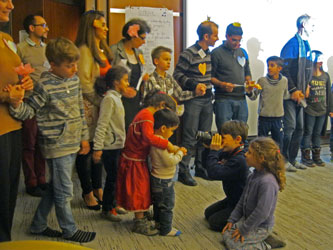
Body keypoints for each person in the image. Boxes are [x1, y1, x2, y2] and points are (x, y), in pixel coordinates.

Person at [8, 37, 96, 243]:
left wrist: (84, 137)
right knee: (65, 191)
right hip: (56, 145)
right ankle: (69, 229)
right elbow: (29, 110)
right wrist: (15, 103)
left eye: (75, 64)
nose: (74, 69)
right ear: (53, 65)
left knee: (56, 186)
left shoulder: (74, 81)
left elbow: (79, 111)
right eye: (69, 66)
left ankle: (38, 224)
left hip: (73, 142)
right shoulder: (44, 85)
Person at [116, 90, 178, 236]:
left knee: (143, 189)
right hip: (134, 160)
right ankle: (139, 222)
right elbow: (149, 138)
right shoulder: (147, 117)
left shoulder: (145, 114)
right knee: (139, 191)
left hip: (137, 158)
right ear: (162, 105)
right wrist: (167, 145)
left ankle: (142, 214)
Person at [0, 0, 34, 242]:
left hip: (12, 124)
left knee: (9, 193)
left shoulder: (6, 39)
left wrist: (25, 85)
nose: (11, 5)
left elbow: (14, 73)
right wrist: (4, 95)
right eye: (4, 0)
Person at [75, 10, 113, 210]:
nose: (106, 28)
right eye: (102, 24)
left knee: (99, 147)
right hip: (89, 105)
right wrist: (101, 102)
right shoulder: (84, 50)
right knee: (86, 149)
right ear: (91, 26)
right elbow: (84, 84)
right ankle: (87, 191)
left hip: (101, 103)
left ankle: (98, 188)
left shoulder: (102, 48)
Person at [173, 20, 219, 186]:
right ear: (206, 36)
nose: (217, 38)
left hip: (208, 99)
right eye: (215, 35)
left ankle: (200, 167)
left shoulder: (209, 54)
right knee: (190, 136)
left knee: (204, 135)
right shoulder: (189, 53)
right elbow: (177, 74)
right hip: (193, 100)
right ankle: (183, 171)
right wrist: (193, 85)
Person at [222, 137, 286, 250]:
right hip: (248, 220)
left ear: (261, 158)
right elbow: (242, 200)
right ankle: (262, 239)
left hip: (261, 226)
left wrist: (243, 230)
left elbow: (262, 212)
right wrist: (232, 219)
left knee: (234, 245)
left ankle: (267, 245)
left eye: (250, 153)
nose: (245, 154)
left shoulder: (267, 182)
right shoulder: (253, 175)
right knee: (226, 234)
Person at [16, 14, 50, 197]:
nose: (46, 28)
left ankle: (42, 179)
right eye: (43, 25)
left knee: (42, 143)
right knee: (29, 143)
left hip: (45, 102)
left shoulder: (47, 48)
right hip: (29, 100)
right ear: (31, 28)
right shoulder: (20, 49)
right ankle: (31, 181)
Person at [92, 66, 130, 222]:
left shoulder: (117, 98)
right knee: (111, 178)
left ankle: (113, 203)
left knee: (117, 176)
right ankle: (107, 209)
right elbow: (102, 124)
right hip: (109, 147)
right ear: (116, 82)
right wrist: (97, 148)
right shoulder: (109, 99)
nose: (128, 84)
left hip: (117, 145)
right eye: (125, 80)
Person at [280, 14, 314, 172]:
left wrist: (307, 86)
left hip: (301, 93)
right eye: (311, 25)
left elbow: (307, 70)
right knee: (290, 127)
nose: (313, 28)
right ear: (302, 26)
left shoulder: (306, 45)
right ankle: (283, 160)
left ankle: (293, 159)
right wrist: (294, 89)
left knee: (300, 128)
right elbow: (285, 70)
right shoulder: (292, 45)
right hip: (290, 94)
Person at [204, 120, 248, 232]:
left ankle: (248, 223)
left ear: (237, 139)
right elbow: (209, 164)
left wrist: (213, 151)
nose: (221, 142)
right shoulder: (232, 151)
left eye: (224, 138)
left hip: (242, 203)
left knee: (214, 222)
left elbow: (213, 173)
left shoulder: (240, 160)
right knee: (208, 213)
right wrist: (208, 148)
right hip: (233, 198)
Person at [150, 109, 186, 237]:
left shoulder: (157, 139)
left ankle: (158, 223)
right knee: (167, 205)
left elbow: (170, 148)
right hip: (164, 180)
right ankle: (166, 229)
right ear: (163, 128)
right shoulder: (161, 144)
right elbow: (170, 161)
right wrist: (180, 153)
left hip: (156, 177)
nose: (172, 133)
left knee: (158, 204)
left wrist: (177, 149)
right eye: (172, 130)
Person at [110, 18, 151, 130]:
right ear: (133, 36)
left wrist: (144, 77)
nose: (144, 42)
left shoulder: (139, 53)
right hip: (119, 97)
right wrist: (121, 90)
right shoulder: (114, 51)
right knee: (121, 129)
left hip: (136, 98)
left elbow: (140, 71)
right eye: (142, 38)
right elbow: (108, 77)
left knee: (133, 129)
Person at [211, 22, 252, 132]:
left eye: (239, 40)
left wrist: (249, 82)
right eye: (234, 40)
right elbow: (210, 77)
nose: (237, 43)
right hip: (223, 99)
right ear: (227, 36)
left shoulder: (243, 52)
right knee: (225, 133)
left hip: (241, 98)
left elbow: (247, 72)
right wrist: (222, 85)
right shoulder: (216, 53)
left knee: (242, 132)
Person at [246, 56, 289, 147]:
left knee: (278, 143)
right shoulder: (262, 80)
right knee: (262, 143)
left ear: (279, 68)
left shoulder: (284, 81)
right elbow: (253, 97)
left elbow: (285, 96)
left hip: (278, 117)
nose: (269, 68)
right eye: (268, 65)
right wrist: (249, 91)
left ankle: (277, 160)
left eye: (272, 65)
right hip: (264, 118)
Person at [300, 50, 333, 167]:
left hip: (322, 109)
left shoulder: (326, 76)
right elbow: (304, 94)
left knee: (317, 133)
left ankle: (316, 156)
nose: (320, 62)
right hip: (310, 109)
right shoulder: (308, 75)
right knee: (308, 132)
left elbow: (329, 93)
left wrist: (330, 109)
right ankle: (305, 157)